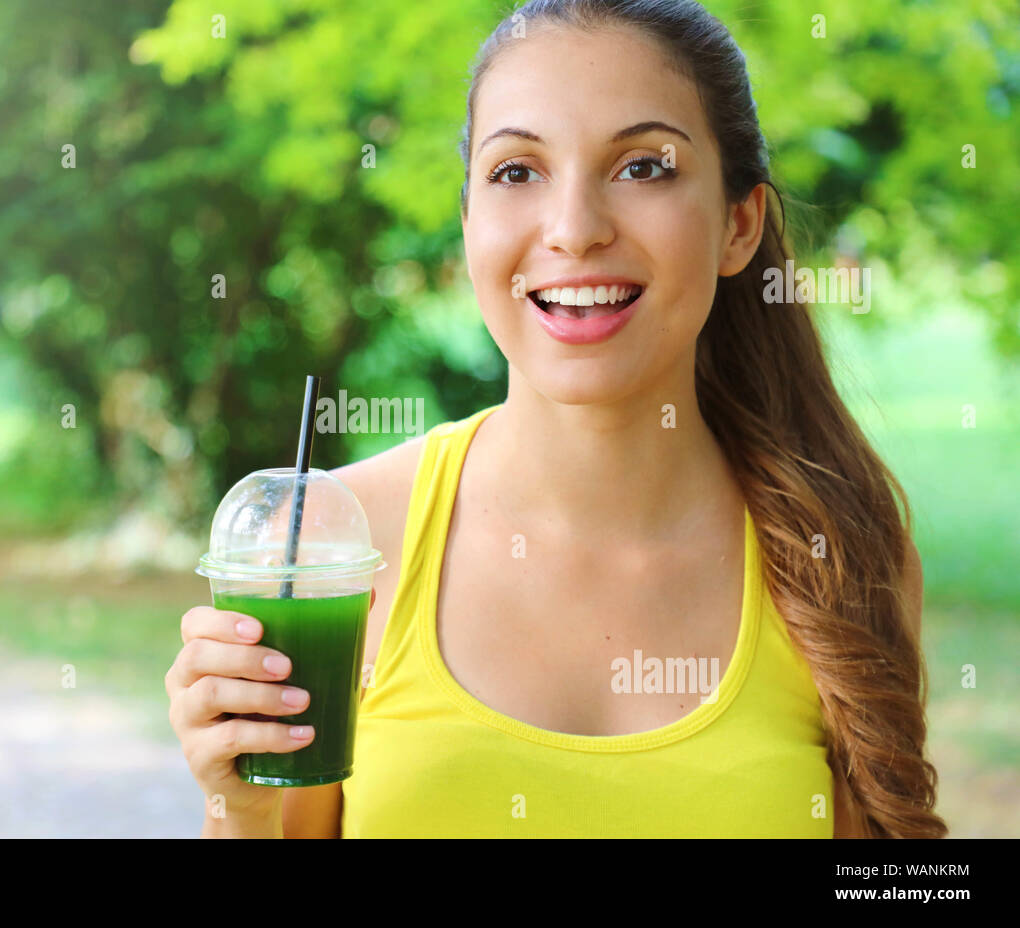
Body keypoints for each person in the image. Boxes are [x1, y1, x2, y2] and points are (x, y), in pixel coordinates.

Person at [167, 0, 946, 838]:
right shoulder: (339, 542)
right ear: (468, 222)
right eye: (516, 171)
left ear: (737, 224)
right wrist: (239, 809)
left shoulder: (837, 551)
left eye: (643, 167)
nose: (574, 231)